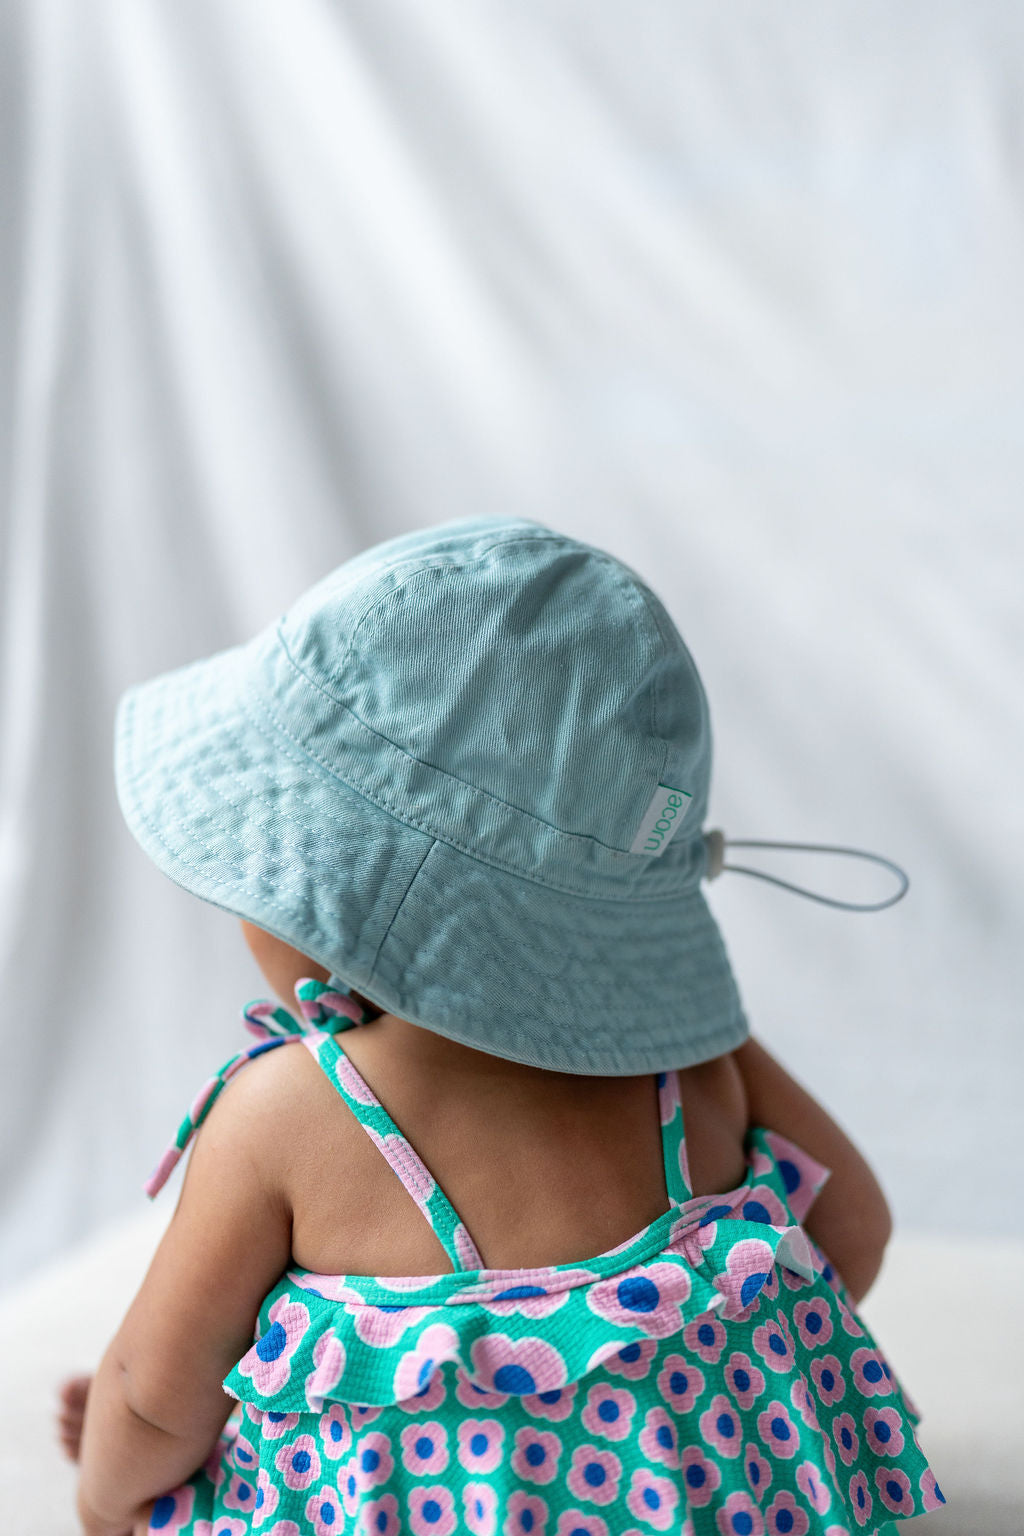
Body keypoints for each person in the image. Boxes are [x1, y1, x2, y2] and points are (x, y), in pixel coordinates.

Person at [57, 516, 945, 1535]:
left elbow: (151, 1391)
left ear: (331, 891)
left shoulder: (288, 1113)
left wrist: (109, 1500)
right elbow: (852, 1233)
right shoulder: (691, 1061)